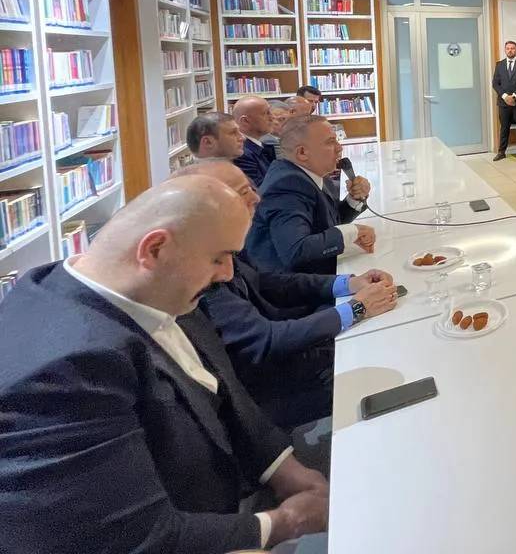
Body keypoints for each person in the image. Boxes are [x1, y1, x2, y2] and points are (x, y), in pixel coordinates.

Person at [0, 176, 330, 552]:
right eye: (219, 258)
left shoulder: (153, 286)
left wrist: (285, 469)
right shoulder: (63, 374)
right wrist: (286, 522)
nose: (228, 273)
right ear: (155, 249)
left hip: (224, 503)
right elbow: (137, 538)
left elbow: (222, 390)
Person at [183, 159, 397, 429]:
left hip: (287, 353)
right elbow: (265, 340)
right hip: (267, 386)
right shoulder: (200, 273)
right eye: (243, 192)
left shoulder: (220, 246)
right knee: (382, 367)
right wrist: (356, 308)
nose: (257, 198)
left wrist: (348, 283)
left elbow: (269, 283)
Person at [244, 115, 374, 275]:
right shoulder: (287, 185)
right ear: (302, 153)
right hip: (290, 284)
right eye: (330, 142)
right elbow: (296, 250)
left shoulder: (312, 173)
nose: (339, 148)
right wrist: (351, 232)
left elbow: (326, 222)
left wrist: (353, 199)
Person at [491, 39, 516, 161]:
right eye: (508, 48)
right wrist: (505, 97)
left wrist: (513, 96)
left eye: (512, 48)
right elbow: (495, 83)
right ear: (505, 50)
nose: (510, 50)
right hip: (503, 103)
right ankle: (501, 152)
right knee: (504, 127)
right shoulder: (499, 64)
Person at [232, 95, 276, 186]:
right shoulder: (241, 154)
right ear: (245, 121)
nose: (272, 117)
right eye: (266, 113)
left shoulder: (257, 146)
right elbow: (260, 190)